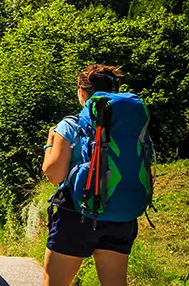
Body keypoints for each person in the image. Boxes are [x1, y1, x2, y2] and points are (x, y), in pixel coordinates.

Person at [41, 64, 142, 286]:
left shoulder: (70, 125)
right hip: (121, 213)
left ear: (81, 92)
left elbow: (54, 174)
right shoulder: (129, 126)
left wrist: (50, 144)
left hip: (79, 213)